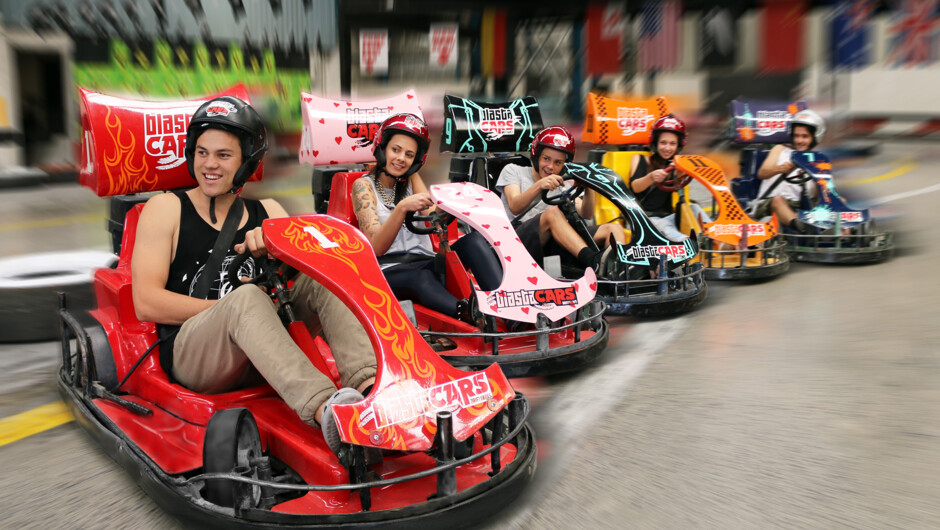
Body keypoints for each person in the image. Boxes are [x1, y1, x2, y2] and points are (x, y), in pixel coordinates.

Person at [131, 96, 376, 461]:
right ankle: (330, 413)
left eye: (223, 156)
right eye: (201, 152)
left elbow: (304, 279)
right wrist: (232, 310)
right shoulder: (166, 208)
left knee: (326, 277)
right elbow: (146, 302)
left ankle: (373, 387)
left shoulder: (269, 212)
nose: (209, 164)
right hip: (197, 354)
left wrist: (278, 251)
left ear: (246, 162)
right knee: (248, 299)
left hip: (263, 349)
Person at [351, 113, 502, 320]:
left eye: (409, 154)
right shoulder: (363, 186)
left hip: (426, 263)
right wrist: (402, 208)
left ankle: (509, 308)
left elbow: (432, 219)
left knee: (474, 241)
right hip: (389, 271)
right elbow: (376, 247)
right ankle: (469, 315)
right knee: (420, 277)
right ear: (382, 148)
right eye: (396, 150)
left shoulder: (411, 178)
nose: (401, 158)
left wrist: (452, 203)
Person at [495, 126, 626, 273]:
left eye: (558, 162)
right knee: (553, 213)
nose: (550, 166)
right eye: (546, 159)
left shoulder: (563, 185)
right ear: (536, 155)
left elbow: (587, 214)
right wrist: (539, 186)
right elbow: (514, 205)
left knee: (613, 229)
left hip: (552, 244)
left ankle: (618, 273)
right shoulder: (514, 170)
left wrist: (588, 188)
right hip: (516, 241)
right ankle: (594, 262)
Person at [629, 115, 712, 242]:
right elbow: (635, 187)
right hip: (643, 219)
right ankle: (687, 244)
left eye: (672, 143)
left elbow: (680, 184)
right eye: (663, 143)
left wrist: (679, 170)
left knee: (694, 208)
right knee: (662, 225)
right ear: (655, 143)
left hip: (668, 217)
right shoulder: (639, 159)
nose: (668, 148)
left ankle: (717, 239)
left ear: (678, 146)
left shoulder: (676, 164)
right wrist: (651, 177)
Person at [751, 109, 826, 234]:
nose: (799, 141)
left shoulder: (819, 159)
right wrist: (780, 169)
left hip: (802, 205)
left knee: (840, 200)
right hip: (770, 204)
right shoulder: (780, 150)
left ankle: (843, 231)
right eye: (796, 136)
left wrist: (819, 180)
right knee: (778, 200)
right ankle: (802, 226)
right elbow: (762, 173)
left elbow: (821, 197)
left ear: (814, 137)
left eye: (804, 136)